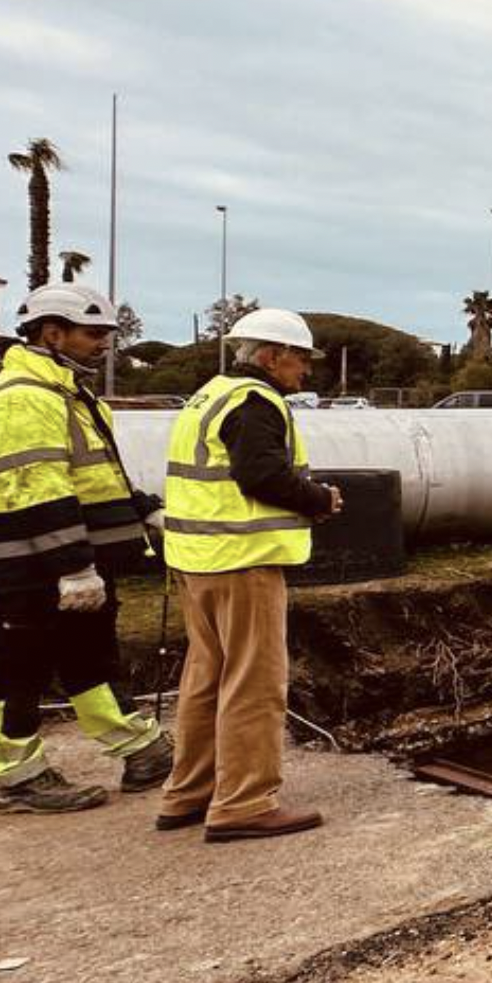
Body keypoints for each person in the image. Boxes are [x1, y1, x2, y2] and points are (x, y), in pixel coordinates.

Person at [0, 285, 171, 812]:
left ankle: (139, 747)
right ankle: (16, 776)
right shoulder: (21, 399)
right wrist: (73, 569)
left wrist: (140, 508)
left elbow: (91, 476)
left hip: (71, 560)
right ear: (52, 333)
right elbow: (37, 490)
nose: (104, 345)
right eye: (93, 334)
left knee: (87, 655)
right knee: (17, 666)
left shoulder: (66, 395)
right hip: (26, 567)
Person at [156, 307, 341, 841]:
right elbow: (260, 473)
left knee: (205, 678)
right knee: (254, 682)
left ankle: (188, 793)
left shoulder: (208, 395)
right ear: (270, 356)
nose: (304, 370)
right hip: (243, 561)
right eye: (300, 358)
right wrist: (318, 499)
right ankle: (244, 802)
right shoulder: (256, 401)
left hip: (197, 561)